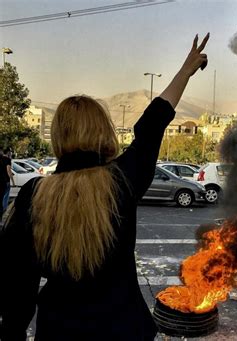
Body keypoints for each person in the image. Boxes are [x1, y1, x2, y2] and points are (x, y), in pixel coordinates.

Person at [0, 33, 209, 341]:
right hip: (125, 329)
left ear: (58, 136)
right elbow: (151, 126)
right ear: (103, 131)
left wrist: (12, 334)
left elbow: (18, 285)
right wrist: (185, 71)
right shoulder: (121, 181)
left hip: (60, 330)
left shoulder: (34, 195)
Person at [2, 148, 15, 214]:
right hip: (5, 181)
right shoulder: (7, 160)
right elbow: (8, 171)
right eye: (10, 152)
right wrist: (13, 182)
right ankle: (4, 212)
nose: (11, 153)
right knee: (5, 197)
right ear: (8, 152)